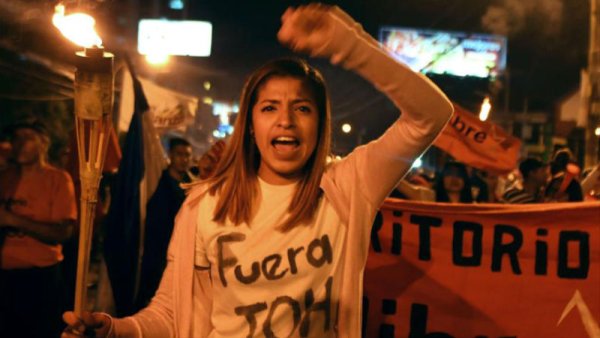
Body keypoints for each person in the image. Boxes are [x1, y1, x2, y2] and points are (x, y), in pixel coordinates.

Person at [62, 4, 452, 337]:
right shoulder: (204, 206)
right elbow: (171, 313)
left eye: (302, 108)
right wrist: (115, 329)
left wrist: (347, 43)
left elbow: (431, 115)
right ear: (250, 124)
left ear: (320, 123)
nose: (285, 121)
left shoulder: (348, 187)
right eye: (269, 108)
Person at [0, 121, 77, 337]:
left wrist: (13, 220)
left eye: (28, 137)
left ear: (44, 144)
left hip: (39, 281)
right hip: (5, 280)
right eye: (17, 138)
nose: (20, 144)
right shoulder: (5, 177)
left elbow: (63, 233)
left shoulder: (58, 179)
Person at [136, 137, 194, 310]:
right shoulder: (158, 183)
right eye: (179, 154)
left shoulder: (190, 185)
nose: (183, 159)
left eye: (187, 155)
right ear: (170, 155)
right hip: (157, 251)